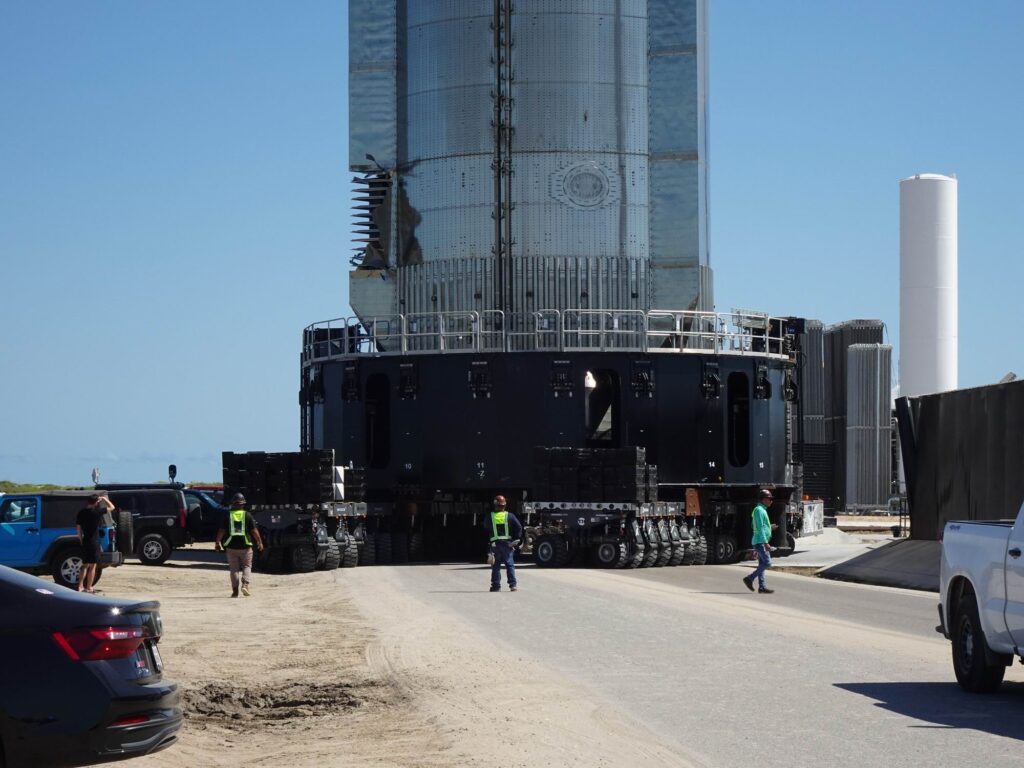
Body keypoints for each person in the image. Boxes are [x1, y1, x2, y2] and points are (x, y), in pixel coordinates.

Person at [215, 493, 264, 598]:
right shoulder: (247, 515)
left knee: (234, 569)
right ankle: (245, 584)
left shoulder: (227, 515)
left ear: (232, 504)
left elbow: (221, 531)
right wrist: (259, 541)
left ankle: (235, 591)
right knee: (247, 566)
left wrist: (217, 542)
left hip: (231, 547)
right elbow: (254, 530)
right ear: (243, 504)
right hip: (245, 547)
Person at [743, 489, 778, 594]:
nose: (771, 501)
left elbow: (759, 526)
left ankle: (762, 587)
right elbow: (760, 527)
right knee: (767, 563)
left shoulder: (762, 510)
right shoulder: (759, 510)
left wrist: (770, 527)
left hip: (760, 541)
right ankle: (749, 578)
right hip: (760, 542)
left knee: (762, 564)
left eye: (771, 499)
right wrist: (765, 542)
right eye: (769, 499)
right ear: (763, 499)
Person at [75, 494, 112, 593]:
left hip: (85, 540)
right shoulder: (97, 511)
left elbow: (78, 527)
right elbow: (112, 507)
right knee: (93, 566)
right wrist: (104, 499)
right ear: (96, 502)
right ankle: (89, 587)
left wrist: (80, 539)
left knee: (84, 565)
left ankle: (80, 586)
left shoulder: (81, 512)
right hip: (94, 541)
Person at [485, 494, 522, 592]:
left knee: (496, 566)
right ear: (504, 505)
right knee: (509, 565)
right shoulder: (510, 516)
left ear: (495, 505)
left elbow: (485, 527)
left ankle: (496, 586)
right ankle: (512, 585)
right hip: (508, 544)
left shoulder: (490, 516)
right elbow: (518, 527)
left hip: (495, 544)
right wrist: (516, 538)